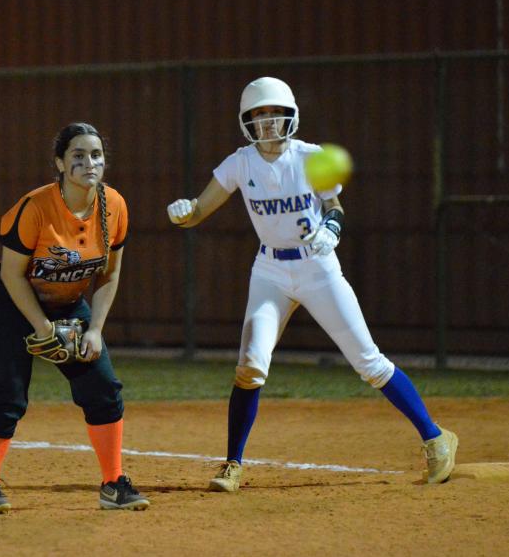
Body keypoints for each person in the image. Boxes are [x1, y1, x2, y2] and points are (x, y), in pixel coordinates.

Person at [166, 77, 458, 492]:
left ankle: (435, 437)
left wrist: (332, 229)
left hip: (317, 267)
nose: (268, 123)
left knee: (368, 362)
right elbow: (199, 211)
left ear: (291, 116)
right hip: (270, 270)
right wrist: (185, 212)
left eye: (275, 114)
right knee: (251, 364)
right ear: (246, 122)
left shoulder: (311, 157)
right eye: (259, 116)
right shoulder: (239, 163)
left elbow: (334, 205)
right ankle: (232, 464)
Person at [0, 122, 149, 514]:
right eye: (78, 155)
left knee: (103, 388)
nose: (90, 162)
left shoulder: (114, 205)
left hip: (69, 305)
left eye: (96, 155)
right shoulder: (36, 207)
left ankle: (113, 483)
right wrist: (42, 327)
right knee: (10, 394)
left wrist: (97, 329)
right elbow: (11, 275)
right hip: (12, 305)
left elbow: (109, 274)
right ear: (59, 163)